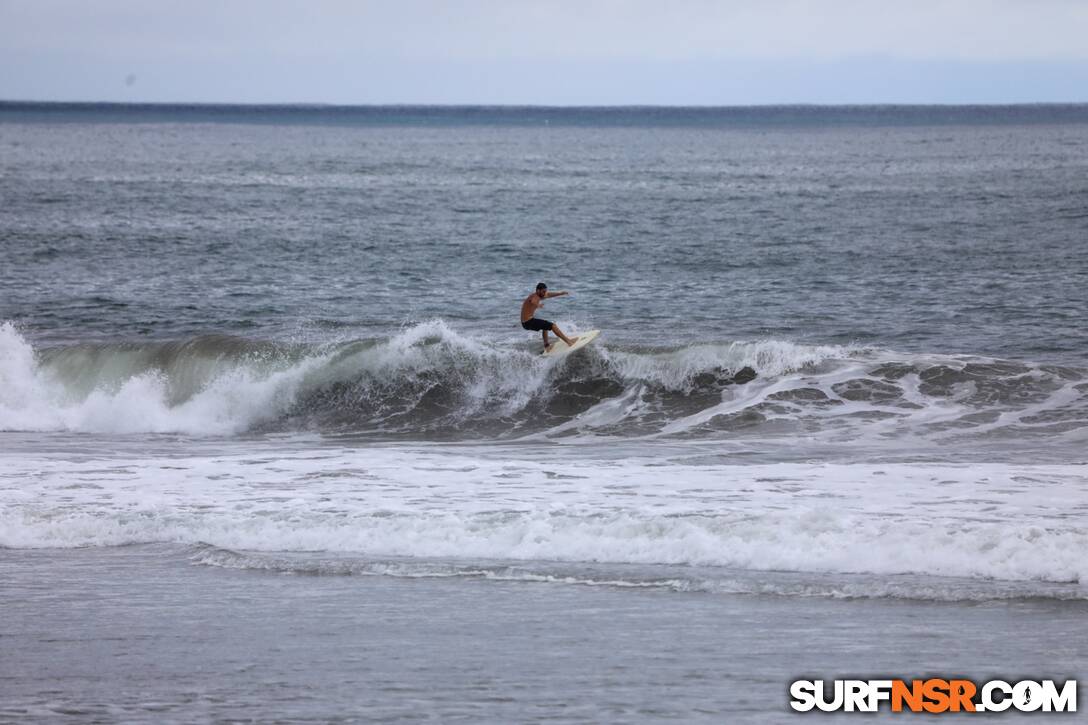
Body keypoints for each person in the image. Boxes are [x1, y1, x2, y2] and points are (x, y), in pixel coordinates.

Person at [520, 282, 579, 352]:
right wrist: (538, 305)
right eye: (543, 291)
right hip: (528, 322)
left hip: (526, 322)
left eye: (545, 291)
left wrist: (561, 293)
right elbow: (533, 301)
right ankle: (569, 342)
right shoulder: (534, 296)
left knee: (545, 326)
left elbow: (549, 294)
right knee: (553, 326)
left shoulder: (540, 295)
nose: (545, 293)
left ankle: (546, 346)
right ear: (538, 290)